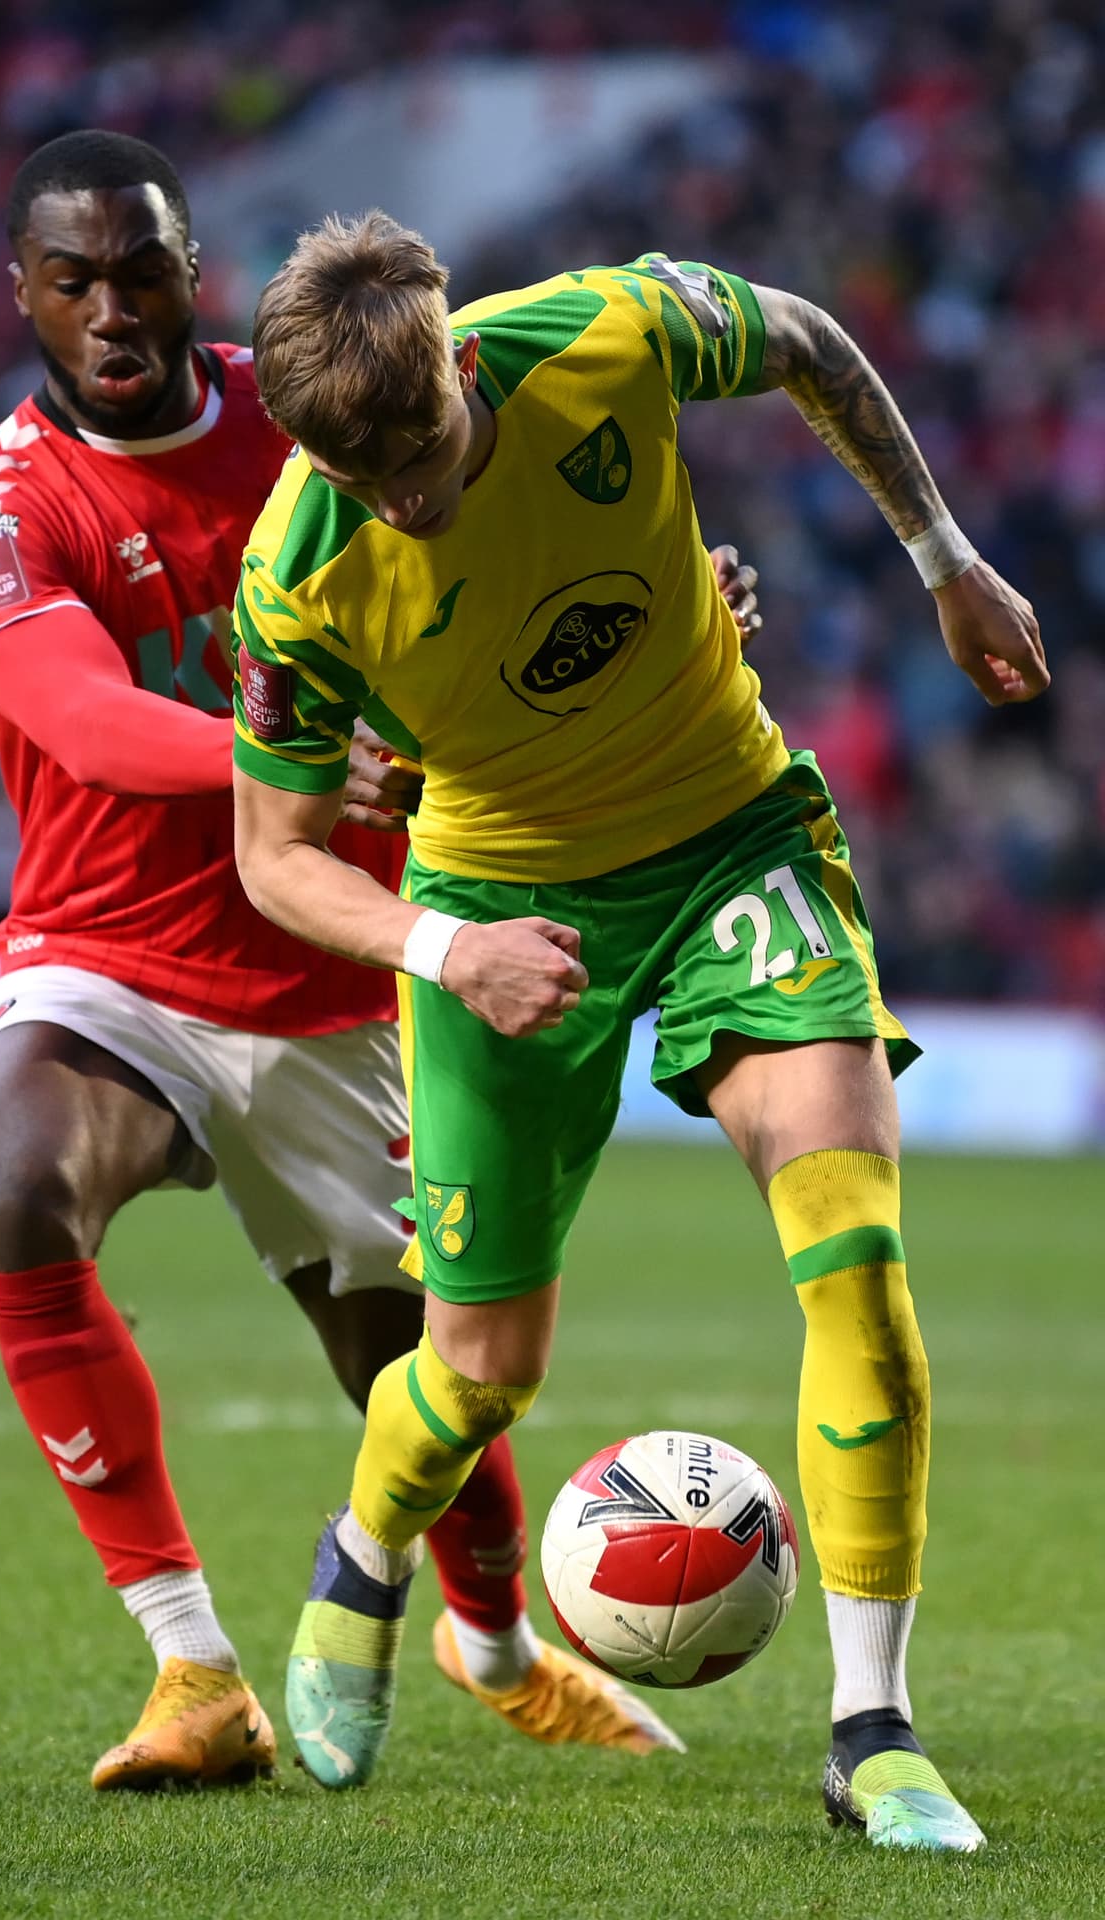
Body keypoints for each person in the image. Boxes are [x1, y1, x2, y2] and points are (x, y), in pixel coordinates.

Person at [0, 134, 769, 1790]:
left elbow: (532, 558)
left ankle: (500, 1646)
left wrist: (674, 609)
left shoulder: (329, 408)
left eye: (142, 269)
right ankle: (191, 1670)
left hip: (348, 972)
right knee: (11, 1179)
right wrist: (280, 763)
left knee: (437, 1381)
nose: (112, 310)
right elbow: (72, 714)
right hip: (115, 961)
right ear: (18, 290)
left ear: (194, 271)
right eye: (72, 279)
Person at [229, 212, 1049, 1845]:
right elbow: (276, 859)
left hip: (732, 838)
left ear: (462, 364)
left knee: (857, 1264)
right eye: (360, 470)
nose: (401, 492)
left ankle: (871, 1732)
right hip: (501, 907)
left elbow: (810, 341)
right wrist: (447, 949)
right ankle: (365, 1559)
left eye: (417, 450)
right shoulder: (299, 574)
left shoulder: (603, 334)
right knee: (477, 1376)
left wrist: (944, 560)